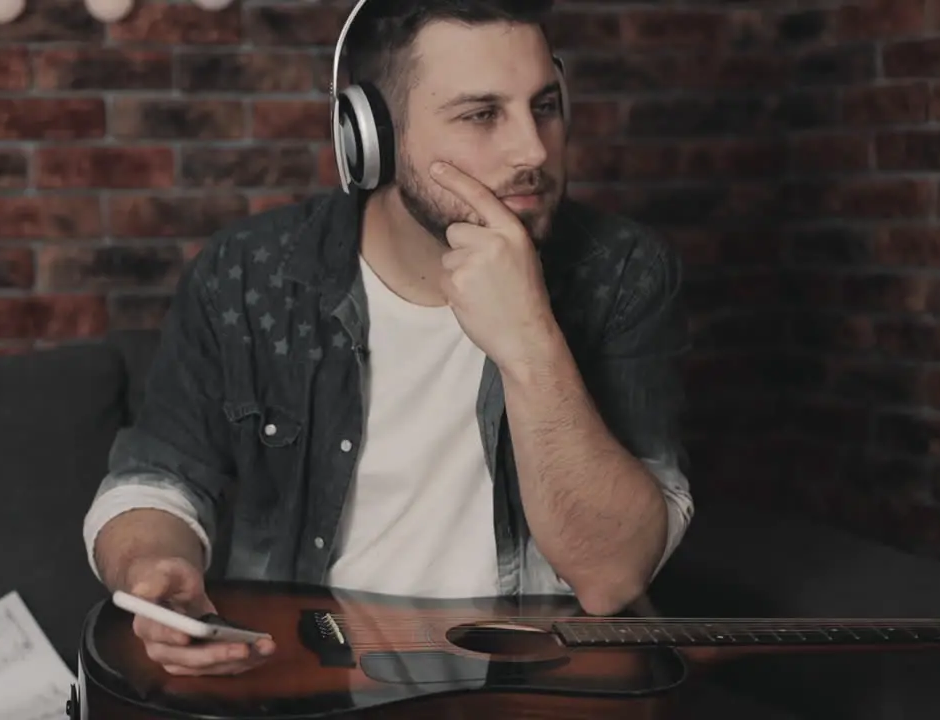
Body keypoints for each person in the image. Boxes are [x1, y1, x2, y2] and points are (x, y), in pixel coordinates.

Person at [82, 0, 693, 679]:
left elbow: (612, 577)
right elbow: (158, 476)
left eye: (544, 106)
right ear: (369, 137)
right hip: (302, 683)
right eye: (482, 115)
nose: (533, 151)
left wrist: (529, 340)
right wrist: (154, 569)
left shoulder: (622, 272)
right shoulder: (251, 273)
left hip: (525, 695)